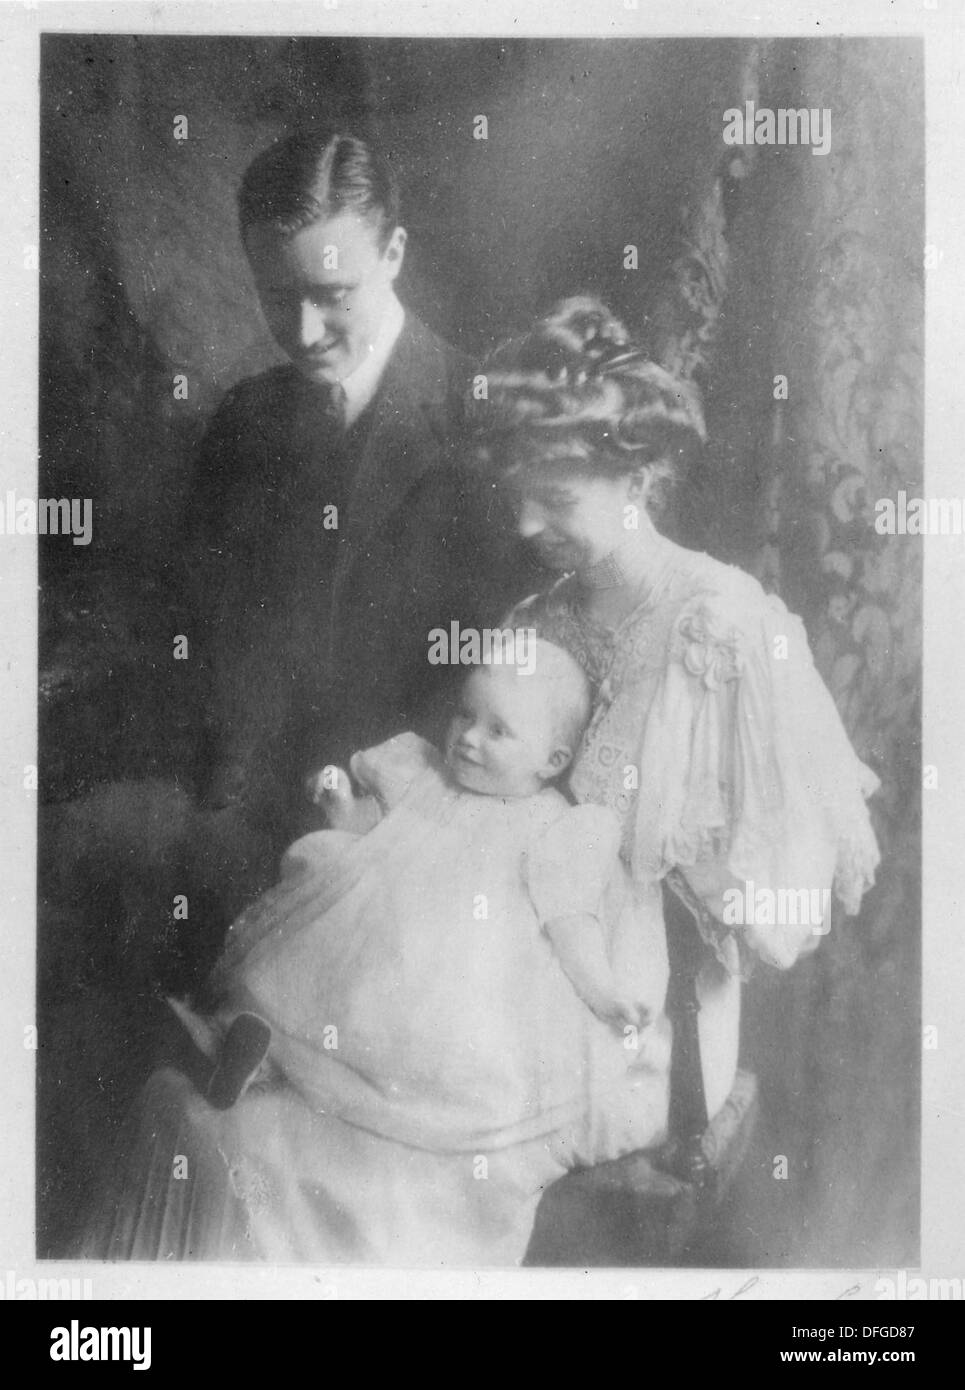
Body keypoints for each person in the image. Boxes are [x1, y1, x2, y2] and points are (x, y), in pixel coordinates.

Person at [83, 645, 671, 1263]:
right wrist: (338, 799)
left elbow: (569, 922)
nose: (468, 738)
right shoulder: (425, 778)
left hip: (453, 978)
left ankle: (317, 1072)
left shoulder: (556, 828)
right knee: (310, 954)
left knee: (400, 1021)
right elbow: (366, 839)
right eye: (465, 717)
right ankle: (249, 1055)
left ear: (553, 759)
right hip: (366, 936)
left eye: (498, 731)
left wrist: (605, 994)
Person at [473, 295, 881, 1122]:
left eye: (553, 497)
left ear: (634, 475)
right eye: (513, 495)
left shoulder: (724, 628)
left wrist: (692, 877)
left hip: (650, 1017)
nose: (523, 524)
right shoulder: (533, 621)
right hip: (505, 980)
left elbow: (778, 906)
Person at [183, 126, 534, 912]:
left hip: (428, 862)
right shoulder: (243, 420)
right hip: (253, 840)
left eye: (333, 296)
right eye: (278, 297)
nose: (304, 333)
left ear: (396, 254)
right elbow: (204, 643)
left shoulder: (490, 422)